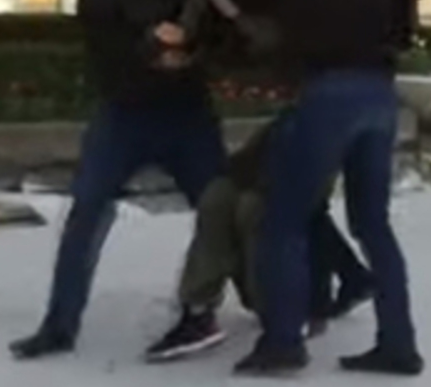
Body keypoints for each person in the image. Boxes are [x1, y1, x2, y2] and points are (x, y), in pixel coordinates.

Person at [222, 0, 423, 377]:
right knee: (373, 222)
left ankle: (282, 342)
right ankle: (398, 343)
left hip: (325, 87)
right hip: (379, 90)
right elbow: (407, 20)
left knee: (283, 217)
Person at [10, 0, 227, 360]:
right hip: (124, 114)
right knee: (86, 212)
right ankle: (59, 326)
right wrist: (156, 46)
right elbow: (110, 46)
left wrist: (187, 49)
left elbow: (210, 25)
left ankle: (251, 311)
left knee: (221, 210)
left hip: (188, 113)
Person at [144, 118, 373, 363]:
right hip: (288, 139)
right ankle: (199, 311)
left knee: (256, 207)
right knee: (217, 198)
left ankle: (285, 309)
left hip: (310, 151)